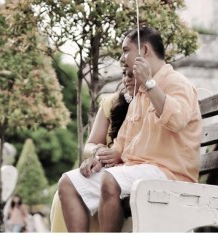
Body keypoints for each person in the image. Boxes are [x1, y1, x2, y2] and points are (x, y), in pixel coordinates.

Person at [57, 26, 202, 232]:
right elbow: (121, 146)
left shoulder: (177, 83)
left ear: (144, 51)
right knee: (68, 183)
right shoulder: (140, 94)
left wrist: (150, 84)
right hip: (134, 171)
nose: (122, 58)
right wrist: (100, 159)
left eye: (126, 50)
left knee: (110, 180)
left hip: (169, 173)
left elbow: (177, 121)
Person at [51, 72, 135, 232]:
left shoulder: (152, 104)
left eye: (132, 74)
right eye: (125, 73)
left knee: (91, 191)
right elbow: (90, 144)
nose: (127, 79)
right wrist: (99, 152)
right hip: (105, 171)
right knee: (66, 190)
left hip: (128, 175)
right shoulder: (113, 102)